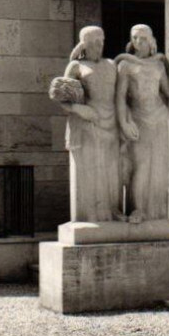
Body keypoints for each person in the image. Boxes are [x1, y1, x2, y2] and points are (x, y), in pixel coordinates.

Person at [50, 26, 120, 223]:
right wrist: (79, 109)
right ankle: (90, 216)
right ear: (85, 44)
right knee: (89, 170)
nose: (99, 45)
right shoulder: (76, 66)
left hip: (110, 122)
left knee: (110, 171)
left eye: (102, 40)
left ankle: (110, 212)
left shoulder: (111, 64)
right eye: (94, 42)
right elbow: (60, 96)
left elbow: (120, 95)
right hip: (86, 124)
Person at [115, 24, 169, 222]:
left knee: (158, 166)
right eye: (135, 38)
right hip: (138, 118)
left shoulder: (159, 64)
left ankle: (156, 212)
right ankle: (138, 209)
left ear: (151, 40)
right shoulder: (125, 65)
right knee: (140, 165)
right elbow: (120, 98)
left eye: (143, 38)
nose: (138, 42)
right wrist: (124, 123)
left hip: (159, 117)